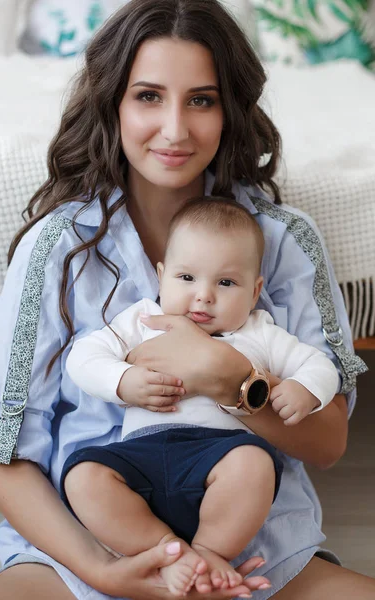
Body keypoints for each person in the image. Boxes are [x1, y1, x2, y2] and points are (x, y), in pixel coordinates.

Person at [0, 0, 372, 598]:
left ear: (229, 107)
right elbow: (4, 451)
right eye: (148, 96)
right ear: (113, 102)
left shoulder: (285, 240)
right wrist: (105, 571)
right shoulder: (57, 246)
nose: (176, 130)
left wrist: (232, 385)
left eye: (202, 100)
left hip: (257, 560)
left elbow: (328, 442)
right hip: (89, 554)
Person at [61, 197, 340, 597]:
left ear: (255, 289)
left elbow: (319, 365)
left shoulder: (260, 331)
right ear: (161, 276)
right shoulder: (143, 320)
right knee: (83, 476)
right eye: (186, 278)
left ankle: (210, 550)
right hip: (141, 455)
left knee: (254, 465)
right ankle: (167, 551)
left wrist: (304, 389)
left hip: (220, 454)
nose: (203, 296)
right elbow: (84, 357)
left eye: (225, 283)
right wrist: (122, 380)